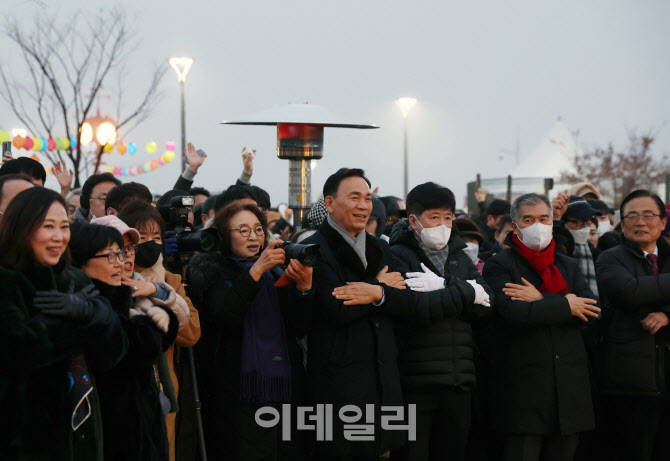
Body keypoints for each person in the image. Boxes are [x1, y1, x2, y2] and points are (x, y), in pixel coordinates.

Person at [302, 168, 425, 460]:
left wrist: (375, 293)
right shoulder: (313, 249)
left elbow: (405, 300)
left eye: (367, 198)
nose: (363, 205)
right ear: (329, 203)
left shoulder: (381, 247)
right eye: (354, 197)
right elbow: (334, 308)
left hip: (383, 379)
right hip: (339, 384)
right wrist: (379, 288)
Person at [0, 187, 127, 461]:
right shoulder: (7, 282)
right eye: (48, 226)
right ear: (21, 228)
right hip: (21, 440)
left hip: (81, 434)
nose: (59, 237)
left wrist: (96, 316)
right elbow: (15, 353)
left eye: (63, 226)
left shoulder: (73, 280)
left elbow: (112, 354)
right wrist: (64, 321)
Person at [188, 203, 313, 460]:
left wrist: (304, 287)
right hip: (237, 388)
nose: (253, 236)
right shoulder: (212, 270)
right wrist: (256, 270)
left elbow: (299, 326)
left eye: (258, 229)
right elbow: (226, 314)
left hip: (285, 384)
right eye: (243, 230)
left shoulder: (276, 269)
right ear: (224, 234)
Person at [483, 192, 599, 461]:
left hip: (570, 390)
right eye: (529, 219)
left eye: (544, 218)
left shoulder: (568, 265)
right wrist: (564, 305)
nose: (538, 225)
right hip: (524, 394)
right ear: (515, 226)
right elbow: (512, 312)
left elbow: (591, 313)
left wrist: (539, 300)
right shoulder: (500, 264)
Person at [389, 182, 492, 461]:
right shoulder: (397, 255)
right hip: (414, 383)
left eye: (448, 217)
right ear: (413, 220)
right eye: (434, 217)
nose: (443, 225)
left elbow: (487, 306)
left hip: (458, 380)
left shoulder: (459, 256)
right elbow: (416, 308)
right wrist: (467, 293)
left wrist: (443, 286)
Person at [69, 222, 179, 461]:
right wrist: (151, 323)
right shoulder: (87, 306)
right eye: (110, 255)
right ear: (82, 262)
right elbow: (137, 349)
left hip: (143, 431)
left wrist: (163, 318)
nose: (120, 261)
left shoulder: (120, 295)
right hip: (114, 435)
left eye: (121, 253)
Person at [117, 200, 201, 461]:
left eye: (156, 237)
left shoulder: (170, 279)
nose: (150, 244)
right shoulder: (109, 276)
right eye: (141, 237)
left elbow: (192, 333)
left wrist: (159, 293)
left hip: (163, 387)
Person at [596, 189, 670, 461]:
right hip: (630, 381)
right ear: (621, 222)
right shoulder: (610, 257)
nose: (641, 222)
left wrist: (666, 314)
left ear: (663, 222)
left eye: (649, 215)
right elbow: (631, 292)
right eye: (633, 216)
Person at [554, 195, 602, 297]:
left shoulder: (591, 250)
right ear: (564, 222)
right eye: (579, 221)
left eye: (589, 220)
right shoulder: (558, 246)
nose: (585, 226)